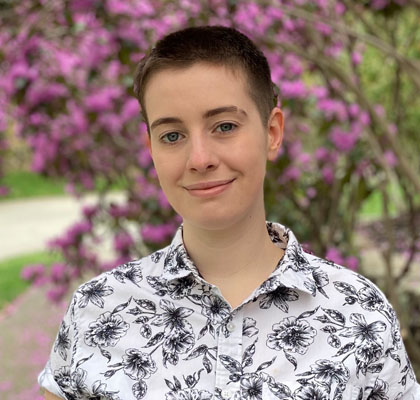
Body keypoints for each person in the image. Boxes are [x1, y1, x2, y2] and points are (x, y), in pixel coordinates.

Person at [40, 26, 420, 400]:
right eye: (172, 135)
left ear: (272, 132)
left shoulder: (360, 314)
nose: (200, 159)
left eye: (224, 126)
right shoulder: (97, 310)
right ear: (151, 147)